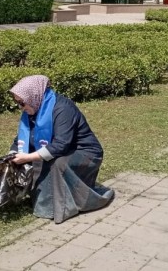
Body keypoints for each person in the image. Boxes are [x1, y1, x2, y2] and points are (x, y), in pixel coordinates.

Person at [8, 75, 114, 223]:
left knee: (57, 164)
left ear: (34, 96)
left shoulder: (63, 109)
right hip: (62, 149)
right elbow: (23, 138)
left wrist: (29, 157)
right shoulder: (34, 109)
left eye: (22, 102)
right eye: (17, 103)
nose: (20, 107)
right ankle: (46, 203)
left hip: (87, 152)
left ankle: (66, 206)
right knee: (38, 159)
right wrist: (13, 154)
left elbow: (61, 144)